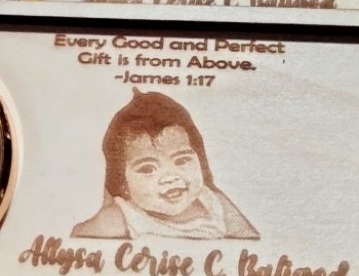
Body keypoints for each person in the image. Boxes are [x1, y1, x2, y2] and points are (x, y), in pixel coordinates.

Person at [71, 90, 259, 240]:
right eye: (148, 169)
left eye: (182, 160)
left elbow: (253, 244)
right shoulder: (121, 218)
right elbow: (75, 244)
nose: (170, 177)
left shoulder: (215, 204)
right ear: (123, 184)